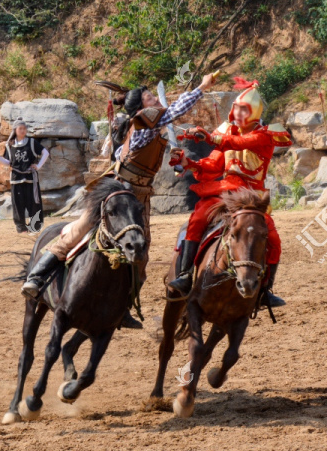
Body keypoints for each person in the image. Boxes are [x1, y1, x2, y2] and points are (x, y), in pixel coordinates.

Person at [21, 73, 219, 327]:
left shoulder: (149, 126)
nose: (157, 101)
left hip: (141, 194)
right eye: (150, 98)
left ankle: (123, 306)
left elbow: (123, 151)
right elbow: (174, 110)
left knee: (141, 251)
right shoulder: (145, 122)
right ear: (142, 107)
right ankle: (37, 277)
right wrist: (202, 86)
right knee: (81, 228)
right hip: (120, 189)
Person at [167, 78, 292, 306]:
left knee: (273, 238)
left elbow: (240, 143)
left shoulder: (265, 135)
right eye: (236, 108)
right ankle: (185, 275)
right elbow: (213, 165)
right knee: (197, 220)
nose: (238, 113)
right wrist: (189, 163)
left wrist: (211, 137)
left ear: (254, 111)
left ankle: (265, 290)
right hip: (223, 192)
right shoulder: (227, 131)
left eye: (244, 109)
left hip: (252, 197)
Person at [0, 119, 49, 233]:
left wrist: (38, 166)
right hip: (16, 179)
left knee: (33, 203)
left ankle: (34, 226)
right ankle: (21, 228)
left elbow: (45, 153)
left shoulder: (32, 143)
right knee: (18, 204)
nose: (23, 131)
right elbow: (8, 162)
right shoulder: (10, 145)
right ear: (15, 130)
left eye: (24, 129)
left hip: (30, 178)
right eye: (20, 129)